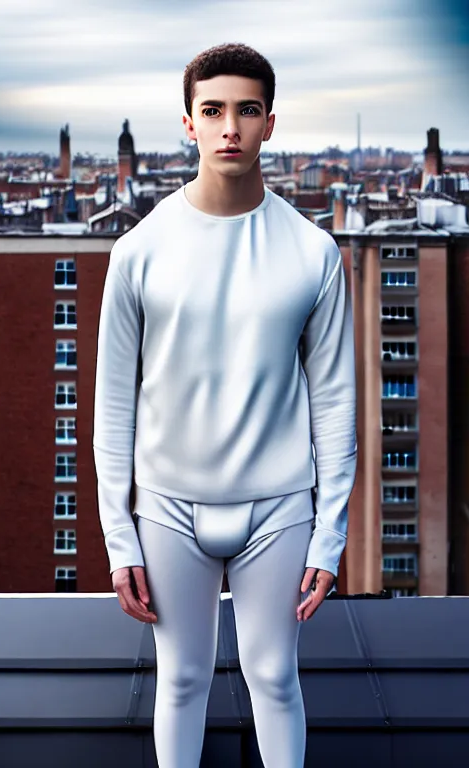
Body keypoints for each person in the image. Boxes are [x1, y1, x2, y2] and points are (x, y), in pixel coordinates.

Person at [93, 42, 357, 768]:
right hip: (168, 507)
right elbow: (112, 407)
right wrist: (120, 539)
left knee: (274, 677)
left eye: (246, 110)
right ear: (189, 124)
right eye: (213, 111)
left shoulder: (313, 253)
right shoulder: (138, 252)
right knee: (179, 681)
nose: (229, 127)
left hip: (279, 507)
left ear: (270, 122)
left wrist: (328, 536)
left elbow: (336, 405)